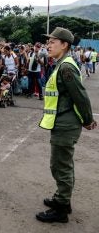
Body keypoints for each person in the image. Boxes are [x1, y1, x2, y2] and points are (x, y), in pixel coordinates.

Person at [36, 27, 97, 223]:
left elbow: (80, 96)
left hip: (66, 123)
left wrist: (88, 120)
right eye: (48, 42)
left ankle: (61, 209)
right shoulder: (62, 63)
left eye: (52, 42)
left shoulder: (66, 67)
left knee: (61, 166)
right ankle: (62, 199)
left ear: (64, 45)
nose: (48, 45)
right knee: (60, 164)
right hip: (60, 121)